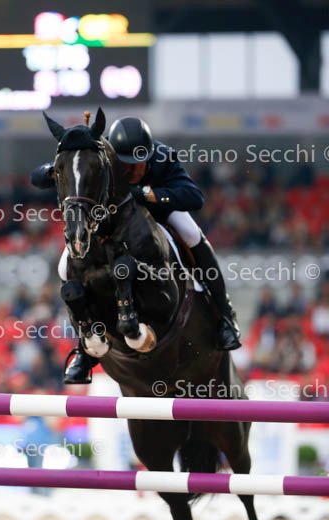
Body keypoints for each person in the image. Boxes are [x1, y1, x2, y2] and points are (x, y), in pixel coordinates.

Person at [31, 116, 241, 384]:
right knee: (65, 268)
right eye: (125, 164)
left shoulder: (163, 157)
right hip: (112, 222)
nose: (131, 171)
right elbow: (40, 177)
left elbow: (194, 197)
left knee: (191, 234)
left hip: (158, 213)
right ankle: (85, 349)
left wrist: (150, 194)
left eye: (138, 164)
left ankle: (225, 315)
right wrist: (56, 169)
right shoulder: (102, 155)